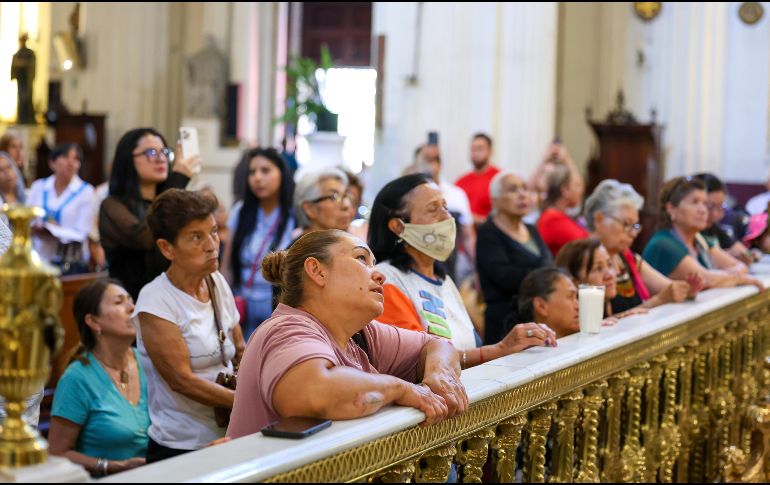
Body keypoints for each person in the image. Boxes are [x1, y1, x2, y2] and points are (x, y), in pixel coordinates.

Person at [227, 229, 468, 438]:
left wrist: (440, 373)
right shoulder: (286, 328)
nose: (379, 274)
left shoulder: (362, 334)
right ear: (317, 271)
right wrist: (401, 389)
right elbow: (313, 395)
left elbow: (438, 345)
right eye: (362, 259)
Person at [369, 174, 556, 368]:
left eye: (445, 207)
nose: (447, 217)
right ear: (398, 226)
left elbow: (470, 345)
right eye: (433, 209)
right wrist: (499, 350)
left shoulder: (444, 280)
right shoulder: (387, 280)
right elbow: (413, 359)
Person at [134, 189, 245, 462]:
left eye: (214, 232)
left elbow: (240, 349)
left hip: (229, 433)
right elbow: (182, 380)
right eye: (197, 237)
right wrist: (245, 402)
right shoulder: (155, 300)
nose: (212, 245)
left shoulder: (215, 281)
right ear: (166, 248)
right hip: (181, 445)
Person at [49, 279, 148, 477]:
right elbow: (57, 453)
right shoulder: (76, 379)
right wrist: (110, 466)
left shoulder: (146, 360)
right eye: (119, 302)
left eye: (131, 300)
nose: (133, 308)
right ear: (93, 322)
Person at [99, 127, 199, 300]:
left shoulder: (173, 202)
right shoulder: (112, 206)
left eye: (164, 152)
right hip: (131, 304)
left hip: (173, 301)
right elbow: (145, 237)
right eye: (151, 152)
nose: (161, 159)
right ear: (128, 160)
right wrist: (177, 181)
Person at [583, 179, 701, 314]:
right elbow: (599, 325)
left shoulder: (628, 259)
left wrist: (688, 290)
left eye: (635, 226)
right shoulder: (585, 262)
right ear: (599, 219)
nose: (633, 233)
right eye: (626, 224)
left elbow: (670, 289)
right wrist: (657, 301)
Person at [222, 148, 295, 336]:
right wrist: (223, 298)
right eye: (252, 172)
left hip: (277, 304)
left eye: (265, 170)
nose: (257, 178)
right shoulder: (241, 211)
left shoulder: (293, 215)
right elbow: (227, 264)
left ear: (282, 174)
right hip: (241, 303)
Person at [642, 176, 762, 290]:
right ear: (671, 208)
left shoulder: (701, 240)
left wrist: (729, 275)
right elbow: (705, 279)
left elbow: (740, 266)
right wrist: (735, 277)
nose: (703, 210)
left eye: (705, 204)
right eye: (695, 202)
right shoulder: (663, 243)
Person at [476, 170, 552, 344]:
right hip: (504, 322)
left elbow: (550, 266)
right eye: (513, 189)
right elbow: (506, 277)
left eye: (525, 188)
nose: (522, 194)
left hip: (536, 316)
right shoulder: (488, 233)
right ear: (495, 200)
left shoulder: (531, 229)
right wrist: (542, 274)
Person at [27, 143, 96, 274]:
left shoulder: (86, 191)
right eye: (65, 157)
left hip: (69, 262)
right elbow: (28, 216)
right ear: (52, 162)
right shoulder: (39, 186)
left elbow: (83, 232)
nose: (71, 163)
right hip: (38, 257)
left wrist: (55, 231)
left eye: (76, 159)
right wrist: (35, 227)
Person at [555, 238, 649, 321]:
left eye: (609, 264)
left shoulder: (617, 301)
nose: (610, 275)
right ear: (575, 282)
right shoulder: (575, 324)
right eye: (598, 268)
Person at [694, 173, 755, 265]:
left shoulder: (712, 227)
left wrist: (747, 255)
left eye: (720, 206)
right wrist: (727, 256)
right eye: (709, 206)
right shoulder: (690, 234)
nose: (715, 214)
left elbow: (742, 252)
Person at [536, 162, 589, 256]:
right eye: (577, 185)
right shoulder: (552, 219)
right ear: (565, 190)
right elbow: (585, 246)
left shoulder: (558, 216)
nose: (581, 190)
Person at [517, 267, 580, 339]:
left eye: (577, 297)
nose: (578, 306)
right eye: (570, 296)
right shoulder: (526, 350)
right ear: (541, 306)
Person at [293, 168, 353, 239]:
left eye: (345, 195)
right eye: (334, 197)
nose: (346, 205)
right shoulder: (298, 250)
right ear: (309, 209)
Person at [455, 133, 501, 225]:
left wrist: (475, 220)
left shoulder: (499, 179)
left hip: (491, 233)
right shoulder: (461, 182)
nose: (475, 153)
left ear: (490, 151)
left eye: (480, 149)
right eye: (473, 149)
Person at [11, 34, 36, 125]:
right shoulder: (18, 53)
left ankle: (28, 119)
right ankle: (21, 119)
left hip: (27, 79)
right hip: (21, 79)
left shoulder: (29, 53)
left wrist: (22, 63)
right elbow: (15, 64)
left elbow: (31, 64)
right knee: (21, 99)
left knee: (27, 98)